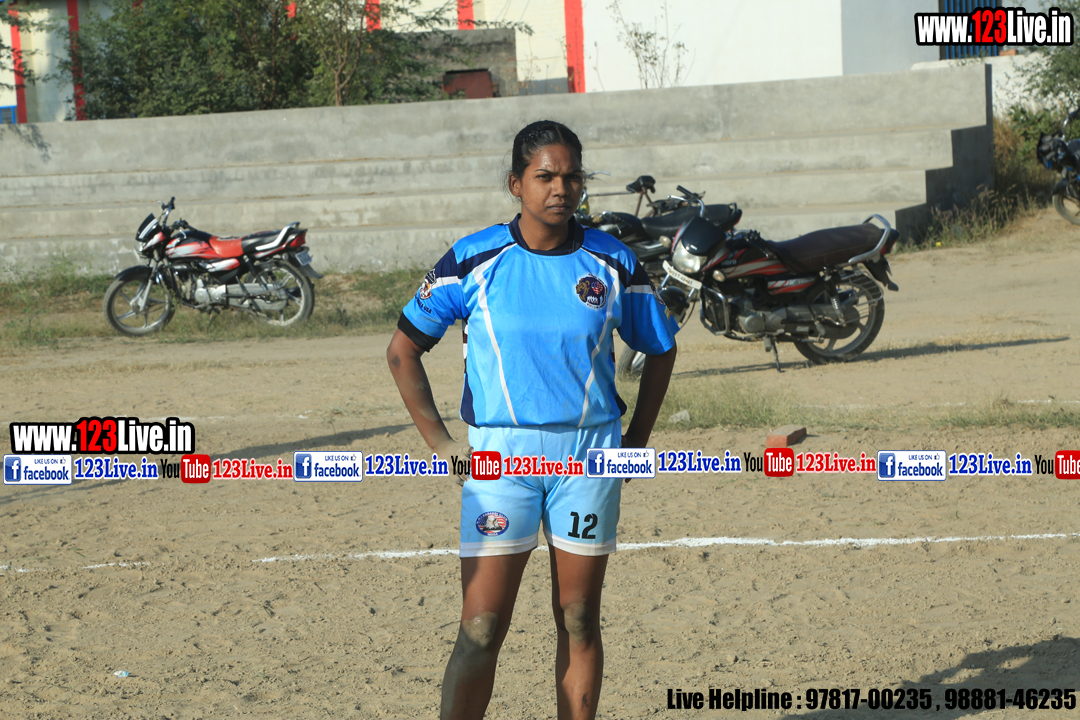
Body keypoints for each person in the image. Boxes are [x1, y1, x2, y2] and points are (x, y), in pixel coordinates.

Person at [386, 120, 677, 720]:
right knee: (481, 626)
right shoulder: (473, 259)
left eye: (572, 176)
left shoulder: (612, 260)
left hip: (588, 459)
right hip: (500, 462)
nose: (560, 188)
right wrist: (441, 442)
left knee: (579, 617)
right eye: (545, 176)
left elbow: (661, 347)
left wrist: (637, 440)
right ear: (516, 183)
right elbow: (402, 351)